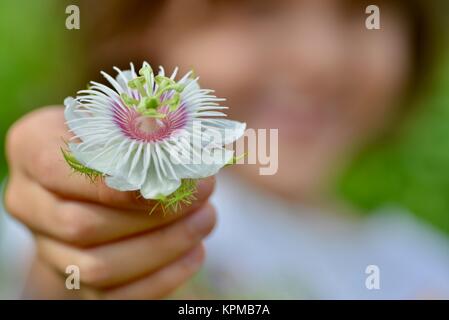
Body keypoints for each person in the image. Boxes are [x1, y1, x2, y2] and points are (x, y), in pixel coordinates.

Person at [2, 0, 449, 299]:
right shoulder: (96, 223)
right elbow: (53, 267)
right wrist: (64, 261)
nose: (320, 60)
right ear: (139, 26)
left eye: (358, 10)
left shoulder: (428, 273)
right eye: (258, 8)